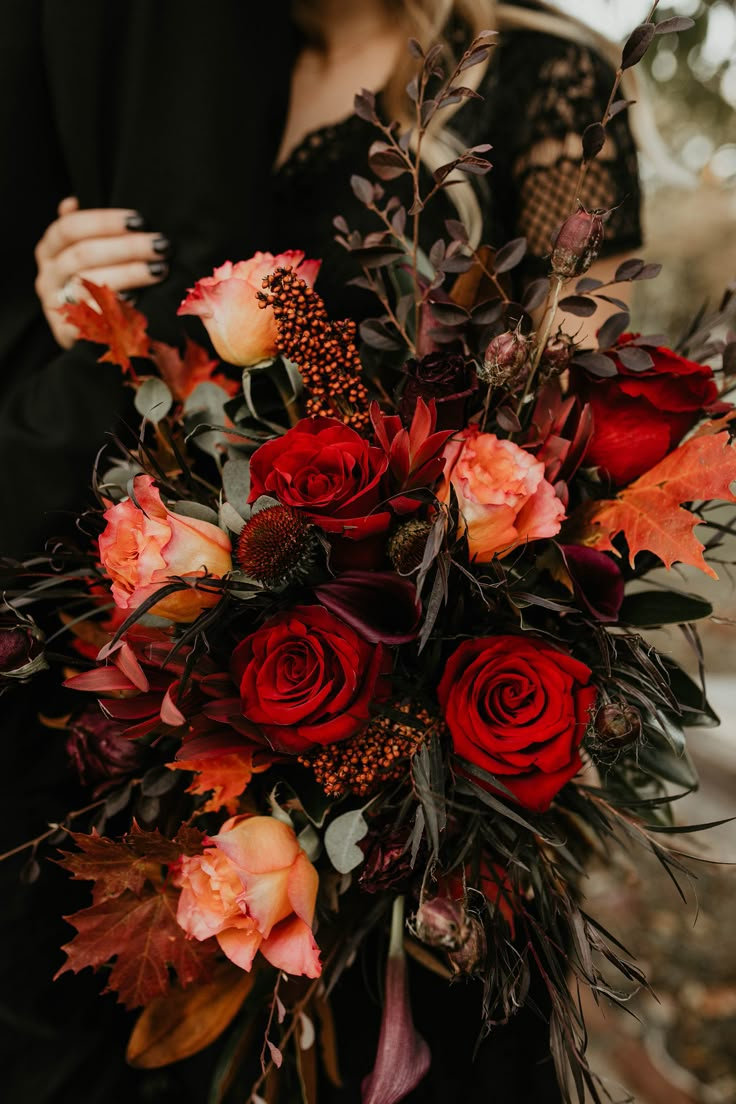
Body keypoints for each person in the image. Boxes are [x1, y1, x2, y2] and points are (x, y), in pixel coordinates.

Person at [2, 2, 642, 1101]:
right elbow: (205, 378)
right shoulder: (232, 80)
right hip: (247, 699)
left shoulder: (540, 67)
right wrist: (81, 300)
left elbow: (589, 426)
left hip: (438, 706)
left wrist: (440, 656)